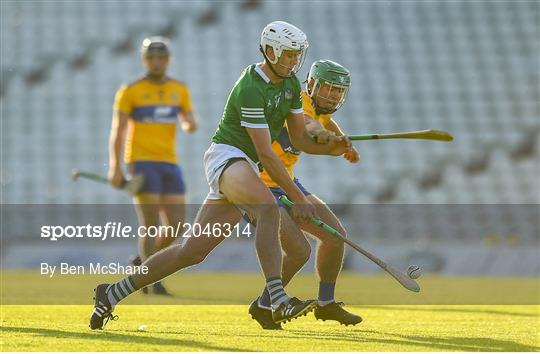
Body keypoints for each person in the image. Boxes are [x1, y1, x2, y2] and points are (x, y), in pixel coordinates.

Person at [90, 21, 352, 330]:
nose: (295, 62)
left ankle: (112, 291)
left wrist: (332, 147)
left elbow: (301, 139)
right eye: (289, 55)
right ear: (270, 52)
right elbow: (266, 152)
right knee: (268, 207)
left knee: (192, 251)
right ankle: (277, 299)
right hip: (227, 157)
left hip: (245, 168)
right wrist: (297, 198)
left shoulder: (292, 86)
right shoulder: (252, 85)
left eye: (298, 55)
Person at [248, 60, 363, 330]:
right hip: (258, 185)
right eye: (328, 89)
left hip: (288, 183)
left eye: (338, 91)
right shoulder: (298, 101)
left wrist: (344, 142)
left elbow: (326, 124)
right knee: (299, 252)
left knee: (335, 237)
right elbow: (309, 125)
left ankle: (325, 304)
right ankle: (265, 305)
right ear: (311, 85)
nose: (334, 95)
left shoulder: (323, 114)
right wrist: (323, 135)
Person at [108, 36, 198, 296]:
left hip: (169, 163)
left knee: (178, 226)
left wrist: (189, 123)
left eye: (161, 57)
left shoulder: (179, 90)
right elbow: (119, 130)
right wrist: (116, 167)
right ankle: (151, 281)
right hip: (141, 163)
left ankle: (142, 263)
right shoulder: (131, 91)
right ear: (144, 59)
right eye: (151, 57)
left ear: (168, 60)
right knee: (151, 225)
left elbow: (188, 117)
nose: (156, 62)